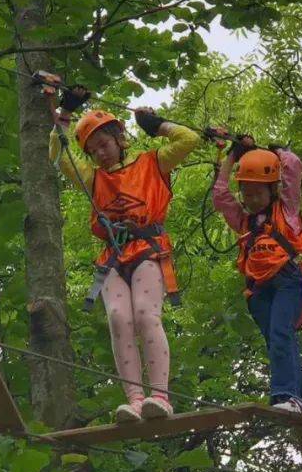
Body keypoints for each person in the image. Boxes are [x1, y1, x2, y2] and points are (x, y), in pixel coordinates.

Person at [39, 73, 199, 423]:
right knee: (118, 318)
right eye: (93, 150)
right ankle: (136, 399)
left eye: (104, 144)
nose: (99, 153)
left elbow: (189, 139)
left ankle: (160, 395)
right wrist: (64, 112)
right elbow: (58, 152)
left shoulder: (152, 164)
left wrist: (157, 126)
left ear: (119, 138)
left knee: (145, 314)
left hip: (147, 248)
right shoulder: (94, 177)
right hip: (112, 255)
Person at [210, 134, 302, 415]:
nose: (251, 199)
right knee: (277, 343)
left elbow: (293, 165)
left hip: (287, 280)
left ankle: (287, 395)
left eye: (257, 192)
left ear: (272, 190)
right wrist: (232, 156)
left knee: (282, 334)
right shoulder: (244, 220)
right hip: (258, 290)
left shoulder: (286, 209)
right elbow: (220, 195)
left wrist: (276, 150)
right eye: (246, 193)